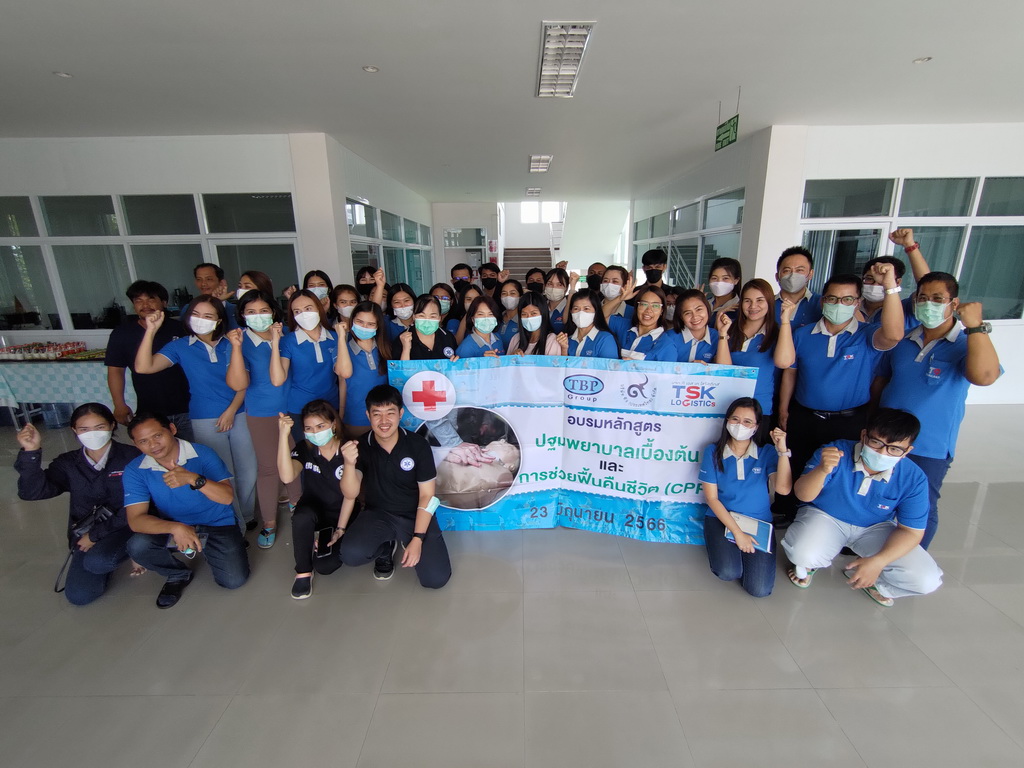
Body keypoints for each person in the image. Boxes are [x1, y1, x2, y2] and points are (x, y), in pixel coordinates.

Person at [874, 272, 1001, 549]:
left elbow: (985, 376)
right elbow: (882, 381)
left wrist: (976, 327)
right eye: (922, 298)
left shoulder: (967, 343)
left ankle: (909, 562)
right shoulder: (904, 341)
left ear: (954, 303)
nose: (928, 304)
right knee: (881, 495)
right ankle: (877, 550)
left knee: (921, 507)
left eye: (937, 298)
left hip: (929, 445)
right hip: (885, 439)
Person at [772, 266, 905, 526]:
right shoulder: (803, 334)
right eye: (832, 298)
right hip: (805, 414)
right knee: (797, 463)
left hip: (848, 420)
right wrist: (784, 410)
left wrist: (890, 287)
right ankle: (792, 514)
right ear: (823, 301)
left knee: (843, 470)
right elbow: (790, 373)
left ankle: (832, 520)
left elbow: (893, 335)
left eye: (847, 299)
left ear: (857, 302)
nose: (838, 304)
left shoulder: (867, 335)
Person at [782, 408, 943, 607]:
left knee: (926, 580)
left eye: (894, 449)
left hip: (875, 527)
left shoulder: (914, 478)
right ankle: (811, 565)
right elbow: (802, 494)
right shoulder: (835, 452)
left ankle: (878, 584)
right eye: (876, 443)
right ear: (864, 435)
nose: (882, 453)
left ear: (907, 450)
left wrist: (879, 561)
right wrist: (822, 470)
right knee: (803, 554)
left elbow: (912, 531)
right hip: (825, 515)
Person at [135, 294, 257, 530]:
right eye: (196, 314)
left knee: (248, 469)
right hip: (204, 417)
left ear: (219, 320)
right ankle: (235, 525)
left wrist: (231, 410)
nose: (201, 320)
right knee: (222, 472)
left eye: (208, 315)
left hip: (240, 412)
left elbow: (244, 383)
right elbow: (143, 366)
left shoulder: (232, 342)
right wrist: (150, 331)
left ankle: (248, 514)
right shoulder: (180, 346)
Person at [15, 404, 143, 605]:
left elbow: (140, 506)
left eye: (99, 427)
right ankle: (109, 554)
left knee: (99, 561)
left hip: (128, 525)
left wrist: (95, 536)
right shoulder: (68, 463)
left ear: (112, 425)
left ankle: (136, 549)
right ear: (74, 430)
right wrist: (31, 452)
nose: (92, 434)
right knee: (79, 595)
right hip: (86, 533)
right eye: (84, 429)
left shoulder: (132, 457)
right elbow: (32, 492)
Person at [123, 412, 250, 608]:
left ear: (172, 429)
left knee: (234, 580)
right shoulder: (135, 470)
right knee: (137, 545)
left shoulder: (202, 453)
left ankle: (207, 548)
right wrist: (176, 527)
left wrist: (193, 479)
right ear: (135, 444)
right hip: (174, 526)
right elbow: (136, 520)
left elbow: (226, 497)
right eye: (143, 441)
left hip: (216, 523)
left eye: (158, 435)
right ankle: (177, 573)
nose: (153, 445)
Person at [338, 385, 451, 587]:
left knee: (436, 579)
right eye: (377, 414)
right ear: (368, 415)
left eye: (390, 413)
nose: (384, 421)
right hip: (378, 514)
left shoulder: (417, 445)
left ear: (400, 414)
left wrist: (418, 538)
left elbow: (428, 496)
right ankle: (385, 546)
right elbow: (350, 493)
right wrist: (348, 463)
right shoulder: (360, 446)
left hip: (414, 514)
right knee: (350, 554)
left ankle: (409, 539)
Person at [226, 290, 300, 548]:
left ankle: (298, 508)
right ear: (242, 315)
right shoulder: (240, 341)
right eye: (251, 312)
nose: (258, 316)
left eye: (263, 310)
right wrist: (236, 348)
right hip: (263, 413)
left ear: (273, 312)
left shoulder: (286, 334)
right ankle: (269, 522)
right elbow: (238, 382)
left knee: (296, 461)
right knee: (269, 468)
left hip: (293, 408)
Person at [699, 398, 791, 597]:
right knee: (728, 571)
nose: (740, 425)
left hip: (758, 521)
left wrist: (782, 451)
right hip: (722, 518)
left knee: (759, 589)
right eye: (735, 419)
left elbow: (783, 489)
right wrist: (738, 533)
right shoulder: (713, 452)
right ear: (727, 420)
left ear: (756, 427)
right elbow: (712, 499)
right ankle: (730, 548)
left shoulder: (767, 452)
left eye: (747, 421)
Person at [277, 403, 359, 598]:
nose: (315, 433)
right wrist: (283, 436)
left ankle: (325, 538)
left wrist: (340, 529)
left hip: (343, 512)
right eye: (309, 428)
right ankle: (303, 571)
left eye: (320, 426)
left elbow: (350, 495)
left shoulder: (349, 448)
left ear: (333, 425)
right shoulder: (305, 448)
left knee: (326, 566)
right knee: (301, 516)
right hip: (315, 509)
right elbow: (287, 476)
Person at [105, 280, 193, 441]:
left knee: (194, 452)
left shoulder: (182, 329)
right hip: (149, 411)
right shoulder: (122, 334)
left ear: (164, 303)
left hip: (189, 408)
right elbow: (115, 370)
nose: (145, 305)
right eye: (138, 300)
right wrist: (119, 404)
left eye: (151, 299)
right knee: (157, 452)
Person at [271, 289, 348, 445]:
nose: (303, 315)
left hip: (330, 406)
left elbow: (343, 377)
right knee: (307, 454)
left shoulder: (334, 337)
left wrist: (341, 411)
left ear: (318, 308)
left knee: (333, 452)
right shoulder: (289, 341)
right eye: (297, 311)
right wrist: (275, 342)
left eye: (308, 308)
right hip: (300, 409)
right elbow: (278, 380)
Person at [715, 279, 781, 415]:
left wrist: (785, 321)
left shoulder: (776, 333)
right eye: (747, 301)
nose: (753, 306)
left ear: (769, 302)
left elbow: (785, 362)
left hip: (759, 411)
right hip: (727, 407)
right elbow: (724, 370)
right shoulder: (729, 328)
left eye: (760, 300)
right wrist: (722, 334)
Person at [336, 301, 390, 438]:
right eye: (359, 322)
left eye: (370, 324)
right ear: (352, 321)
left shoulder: (385, 349)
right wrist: (341, 337)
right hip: (355, 418)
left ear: (378, 326)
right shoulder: (343, 349)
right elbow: (344, 376)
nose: (364, 327)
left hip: (385, 419)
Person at [617, 285, 676, 361]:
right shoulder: (623, 326)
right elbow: (603, 317)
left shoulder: (667, 346)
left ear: (662, 310)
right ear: (637, 307)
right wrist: (619, 299)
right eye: (644, 304)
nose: (648, 310)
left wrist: (634, 366)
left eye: (655, 306)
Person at [556, 289, 619, 358]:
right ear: (571, 312)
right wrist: (564, 349)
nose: (581, 313)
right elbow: (565, 364)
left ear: (596, 311)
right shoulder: (567, 339)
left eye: (586, 309)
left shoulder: (605, 339)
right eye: (576, 309)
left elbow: (610, 365)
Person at [395, 295, 459, 361]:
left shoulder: (448, 337)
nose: (427, 321)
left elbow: (455, 363)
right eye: (421, 316)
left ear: (439, 318)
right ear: (414, 316)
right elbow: (398, 367)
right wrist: (406, 349)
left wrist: (456, 361)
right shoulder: (402, 339)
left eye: (432, 316)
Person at [774, 247, 821, 329]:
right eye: (787, 270)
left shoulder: (822, 304)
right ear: (777, 276)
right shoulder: (765, 304)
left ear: (810, 274)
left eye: (799, 270)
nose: (793, 275)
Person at [670, 289, 718, 363]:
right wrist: (691, 368)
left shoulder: (717, 337)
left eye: (699, 309)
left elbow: (725, 368)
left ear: (707, 308)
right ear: (681, 317)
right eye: (688, 313)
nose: (695, 317)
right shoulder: (670, 337)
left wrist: (723, 334)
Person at [544, 267, 572, 332]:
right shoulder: (540, 307)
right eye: (550, 284)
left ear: (566, 288)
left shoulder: (572, 308)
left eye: (559, 285)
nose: (554, 288)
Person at [497, 279, 523, 347]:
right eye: (504, 293)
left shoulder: (524, 320)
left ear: (520, 297)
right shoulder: (497, 318)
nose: (508, 297)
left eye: (512, 293)